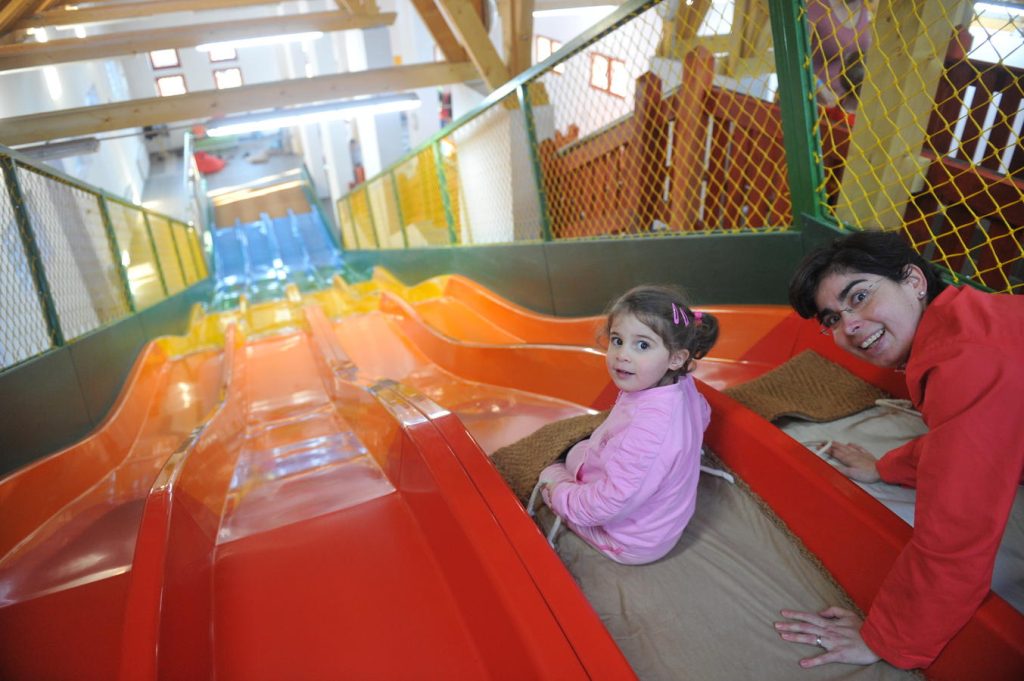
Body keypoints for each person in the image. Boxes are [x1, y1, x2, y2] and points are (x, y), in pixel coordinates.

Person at [774, 231, 1024, 669]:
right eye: (832, 319)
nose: (849, 325)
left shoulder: (967, 363)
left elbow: (955, 536)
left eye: (860, 296)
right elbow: (971, 440)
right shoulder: (971, 320)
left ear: (913, 281)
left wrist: (886, 639)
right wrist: (887, 468)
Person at [536, 285, 719, 565]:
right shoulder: (679, 384)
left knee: (549, 472)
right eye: (617, 340)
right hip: (655, 512)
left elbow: (607, 505)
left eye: (642, 345)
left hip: (632, 541)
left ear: (676, 358)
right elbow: (702, 415)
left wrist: (559, 495)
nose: (622, 354)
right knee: (576, 454)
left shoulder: (651, 431)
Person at [807, 0, 872, 111]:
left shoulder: (864, 7)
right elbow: (795, 58)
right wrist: (817, 84)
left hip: (847, 105)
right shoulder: (817, 6)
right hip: (813, 101)